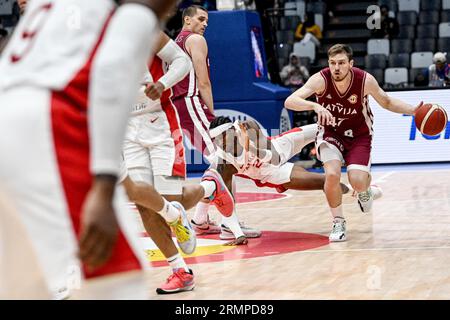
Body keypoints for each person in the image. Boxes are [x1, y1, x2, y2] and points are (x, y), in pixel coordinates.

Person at [0, 0, 177, 299]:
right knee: (116, 282)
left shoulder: (52, 8)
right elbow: (110, 76)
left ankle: (173, 216)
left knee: (26, 286)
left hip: (10, 119)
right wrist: (104, 188)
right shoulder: (129, 11)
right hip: (47, 125)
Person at [122, 31, 234, 294]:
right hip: (127, 129)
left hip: (160, 124)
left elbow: (182, 62)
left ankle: (209, 189)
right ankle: (180, 270)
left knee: (168, 196)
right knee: (144, 204)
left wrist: (162, 83)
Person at [284, 44, 420, 242]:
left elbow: (387, 102)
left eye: (341, 63)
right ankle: (338, 222)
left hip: (359, 135)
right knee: (331, 174)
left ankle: (365, 192)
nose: (336, 68)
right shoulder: (320, 79)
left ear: (350, 64)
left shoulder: (364, 80)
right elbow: (290, 101)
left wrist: (413, 110)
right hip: (331, 133)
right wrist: (314, 105)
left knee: (357, 180)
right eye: (332, 63)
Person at [172, 5, 260, 243]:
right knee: (224, 159)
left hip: (180, 106)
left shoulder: (174, 42)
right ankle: (228, 224)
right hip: (192, 103)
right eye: (201, 19)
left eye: (207, 21)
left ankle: (201, 219)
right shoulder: (195, 40)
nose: (205, 24)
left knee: (222, 161)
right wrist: (212, 116)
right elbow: (204, 81)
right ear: (187, 19)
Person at [208, 116, 351, 198]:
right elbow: (224, 195)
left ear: (232, 130)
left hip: (279, 146)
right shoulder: (223, 161)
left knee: (328, 128)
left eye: (222, 137)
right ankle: (356, 191)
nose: (220, 142)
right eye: (216, 140)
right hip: (272, 174)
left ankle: (357, 153)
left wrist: (251, 149)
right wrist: (233, 228)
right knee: (327, 181)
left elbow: (274, 157)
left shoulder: (248, 127)